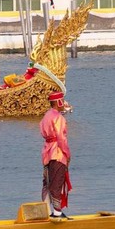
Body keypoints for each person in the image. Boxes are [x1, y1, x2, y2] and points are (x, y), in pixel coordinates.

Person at [40, 90, 72, 219]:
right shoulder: (59, 118)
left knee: (48, 182)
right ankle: (57, 213)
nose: (63, 103)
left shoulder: (46, 115)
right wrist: (67, 153)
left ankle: (48, 211)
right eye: (62, 101)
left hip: (47, 152)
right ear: (58, 102)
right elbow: (61, 139)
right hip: (57, 152)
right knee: (57, 182)